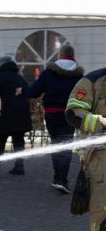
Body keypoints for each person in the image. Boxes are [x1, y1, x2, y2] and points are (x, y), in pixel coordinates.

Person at [65, 67, 106, 231]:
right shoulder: (92, 81)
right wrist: (102, 123)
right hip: (101, 162)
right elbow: (73, 113)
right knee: (104, 222)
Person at [28, 43, 84, 193]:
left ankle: (57, 177)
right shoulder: (79, 75)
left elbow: (34, 92)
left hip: (51, 114)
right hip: (69, 114)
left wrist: (23, 90)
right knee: (66, 146)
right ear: (73, 55)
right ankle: (62, 179)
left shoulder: (49, 72)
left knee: (56, 144)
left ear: (60, 55)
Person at [0, 55, 32, 175]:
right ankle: (19, 167)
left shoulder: (3, 75)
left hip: (9, 112)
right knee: (19, 140)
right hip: (23, 112)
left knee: (1, 139)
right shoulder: (20, 77)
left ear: (1, 65)